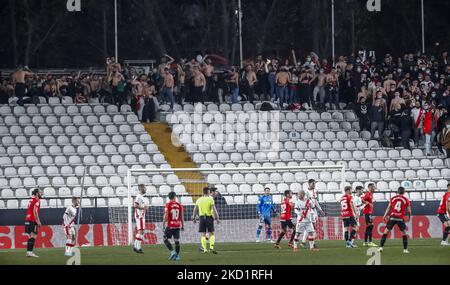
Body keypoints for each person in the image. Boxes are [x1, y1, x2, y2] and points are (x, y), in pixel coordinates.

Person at [379, 187, 411, 253]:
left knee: (385, 232)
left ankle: (381, 247)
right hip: (400, 218)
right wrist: (409, 217)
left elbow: (388, 208)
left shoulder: (393, 198)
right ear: (404, 192)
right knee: (404, 233)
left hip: (392, 217)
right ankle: (405, 249)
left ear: (398, 192)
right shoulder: (406, 199)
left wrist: (384, 216)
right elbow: (409, 211)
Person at [192, 187, 220, 254]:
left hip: (201, 218)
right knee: (212, 233)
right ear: (208, 192)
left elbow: (195, 210)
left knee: (203, 234)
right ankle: (211, 248)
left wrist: (194, 218)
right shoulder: (210, 199)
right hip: (209, 217)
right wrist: (217, 218)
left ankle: (204, 249)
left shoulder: (198, 200)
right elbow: (214, 209)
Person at [163, 192, 184, 261]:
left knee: (165, 239)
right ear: (175, 197)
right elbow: (181, 216)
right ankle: (177, 256)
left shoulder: (168, 204)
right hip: (177, 225)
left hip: (170, 225)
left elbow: (165, 215)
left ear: (169, 198)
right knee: (176, 241)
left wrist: (163, 225)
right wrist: (182, 225)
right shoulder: (179, 205)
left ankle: (172, 252)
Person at [25, 188, 42, 258]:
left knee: (30, 236)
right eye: (40, 192)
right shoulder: (37, 200)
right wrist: (38, 220)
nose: (41, 194)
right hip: (32, 219)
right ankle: (30, 252)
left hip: (27, 219)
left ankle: (28, 252)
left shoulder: (30, 200)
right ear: (37, 193)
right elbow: (35, 210)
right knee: (33, 236)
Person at [133, 184, 148, 254]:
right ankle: (137, 247)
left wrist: (144, 207)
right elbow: (135, 205)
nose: (145, 189)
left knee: (141, 231)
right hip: (139, 216)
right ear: (141, 188)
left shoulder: (141, 197)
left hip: (141, 216)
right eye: (144, 188)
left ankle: (136, 247)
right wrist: (143, 208)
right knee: (141, 231)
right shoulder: (139, 196)